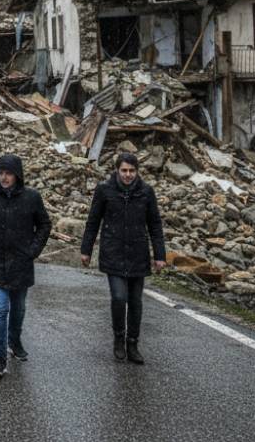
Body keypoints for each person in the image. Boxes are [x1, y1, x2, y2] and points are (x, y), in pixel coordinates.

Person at [0, 154, 52, 380]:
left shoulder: (32, 198)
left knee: (19, 308)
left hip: (21, 263)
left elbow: (44, 224)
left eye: (9, 173)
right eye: (1, 173)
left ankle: (14, 340)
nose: (4, 177)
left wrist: (33, 250)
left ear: (17, 175)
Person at [80, 152, 166, 365]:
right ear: (117, 170)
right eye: (124, 170)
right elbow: (93, 221)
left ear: (137, 172)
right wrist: (86, 250)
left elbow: (155, 225)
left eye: (132, 171)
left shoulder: (146, 192)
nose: (128, 175)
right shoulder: (104, 191)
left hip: (138, 254)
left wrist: (160, 255)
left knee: (135, 302)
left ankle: (133, 343)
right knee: (119, 298)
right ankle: (118, 337)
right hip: (114, 252)